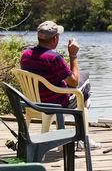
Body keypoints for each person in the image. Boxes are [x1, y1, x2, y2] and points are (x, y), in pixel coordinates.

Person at [20, 21, 101, 149]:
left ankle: (74, 135)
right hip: (56, 104)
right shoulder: (54, 58)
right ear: (55, 39)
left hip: (33, 104)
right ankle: (83, 137)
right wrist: (73, 55)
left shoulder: (26, 55)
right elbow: (74, 82)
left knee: (82, 80)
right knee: (85, 85)